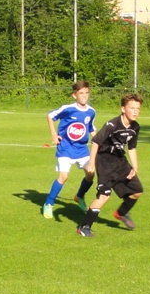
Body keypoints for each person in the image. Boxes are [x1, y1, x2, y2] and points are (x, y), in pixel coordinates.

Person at [77, 93, 143, 238]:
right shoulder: (112, 125)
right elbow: (96, 142)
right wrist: (91, 163)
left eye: (138, 108)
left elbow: (131, 147)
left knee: (137, 191)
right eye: (132, 108)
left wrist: (135, 167)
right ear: (123, 109)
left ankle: (121, 213)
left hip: (120, 161)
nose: (135, 111)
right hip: (105, 162)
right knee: (104, 196)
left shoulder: (135, 127)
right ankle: (84, 227)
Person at [42, 80, 96, 218]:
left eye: (86, 93)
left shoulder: (91, 111)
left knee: (91, 174)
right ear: (74, 95)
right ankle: (49, 203)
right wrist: (54, 134)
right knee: (64, 176)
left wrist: (100, 141)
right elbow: (50, 116)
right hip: (65, 147)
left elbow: (91, 128)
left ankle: (79, 196)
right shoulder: (68, 108)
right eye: (81, 93)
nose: (84, 96)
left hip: (82, 149)